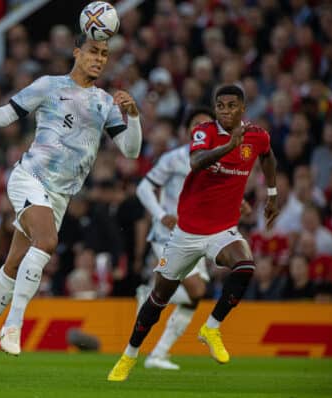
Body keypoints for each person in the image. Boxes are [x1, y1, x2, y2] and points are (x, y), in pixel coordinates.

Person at [0, 33, 142, 379]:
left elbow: (131, 150)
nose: (98, 59)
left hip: (59, 195)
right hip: (29, 178)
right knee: (48, 243)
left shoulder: (104, 102)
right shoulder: (49, 86)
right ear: (76, 52)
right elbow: (5, 115)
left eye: (104, 54)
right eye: (92, 52)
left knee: (12, 266)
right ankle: (14, 324)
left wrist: (135, 116)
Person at [108, 84, 278, 381]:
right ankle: (129, 355)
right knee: (159, 300)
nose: (225, 111)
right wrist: (229, 146)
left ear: (242, 109)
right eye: (220, 106)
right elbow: (197, 162)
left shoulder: (258, 136)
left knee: (245, 265)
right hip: (185, 233)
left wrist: (272, 194)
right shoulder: (202, 135)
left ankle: (211, 327)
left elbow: (268, 156)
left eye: (231, 106)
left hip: (222, 229)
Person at [134, 106, 215, 370]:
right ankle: (151, 292)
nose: (201, 128)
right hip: (167, 235)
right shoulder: (174, 158)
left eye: (206, 124)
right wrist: (160, 214)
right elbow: (144, 187)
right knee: (196, 290)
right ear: (187, 130)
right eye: (196, 124)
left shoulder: (218, 163)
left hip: (196, 235)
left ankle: (158, 354)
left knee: (195, 298)